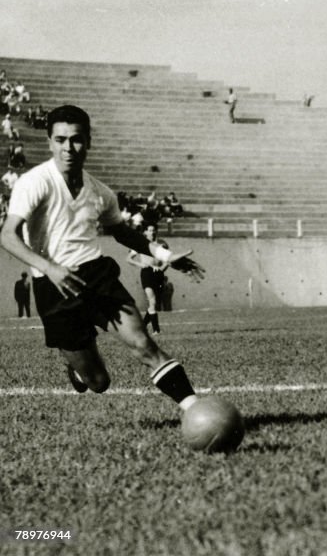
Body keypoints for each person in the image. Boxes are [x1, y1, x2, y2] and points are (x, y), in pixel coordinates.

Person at [0, 105, 206, 408]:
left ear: (89, 142)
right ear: (49, 142)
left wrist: (163, 252)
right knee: (98, 382)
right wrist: (50, 268)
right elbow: (7, 235)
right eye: (60, 140)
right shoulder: (34, 182)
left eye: (76, 139)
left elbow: (122, 232)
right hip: (54, 286)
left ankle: (195, 409)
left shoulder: (101, 192)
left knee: (143, 343)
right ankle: (78, 366)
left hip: (96, 276)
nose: (68, 148)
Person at [126, 225, 169, 335]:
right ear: (145, 232)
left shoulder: (162, 244)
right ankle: (156, 330)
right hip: (147, 273)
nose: (152, 232)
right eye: (149, 230)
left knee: (154, 304)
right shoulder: (141, 244)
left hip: (158, 273)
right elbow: (128, 259)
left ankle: (142, 327)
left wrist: (162, 269)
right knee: (152, 301)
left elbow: (168, 260)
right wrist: (140, 264)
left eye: (154, 230)